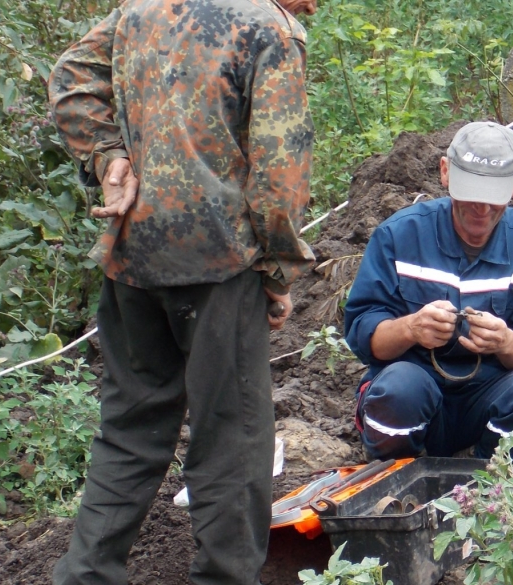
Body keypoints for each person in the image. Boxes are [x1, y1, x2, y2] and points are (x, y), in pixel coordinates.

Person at [47, 0, 318, 582]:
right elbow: (279, 176)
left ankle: (85, 576)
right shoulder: (272, 30)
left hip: (134, 256)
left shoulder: (143, 8)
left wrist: (108, 157)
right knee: (234, 443)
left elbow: (70, 77)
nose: (315, 7)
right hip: (220, 267)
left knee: (130, 430)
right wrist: (278, 273)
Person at [343, 121, 513, 461]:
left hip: (488, 397)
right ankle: (399, 474)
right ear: (445, 173)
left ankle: (487, 483)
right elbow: (364, 335)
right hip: (413, 390)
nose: (481, 208)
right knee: (400, 388)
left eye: (492, 197)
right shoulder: (399, 236)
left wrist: (506, 342)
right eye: (470, 194)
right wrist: (410, 328)